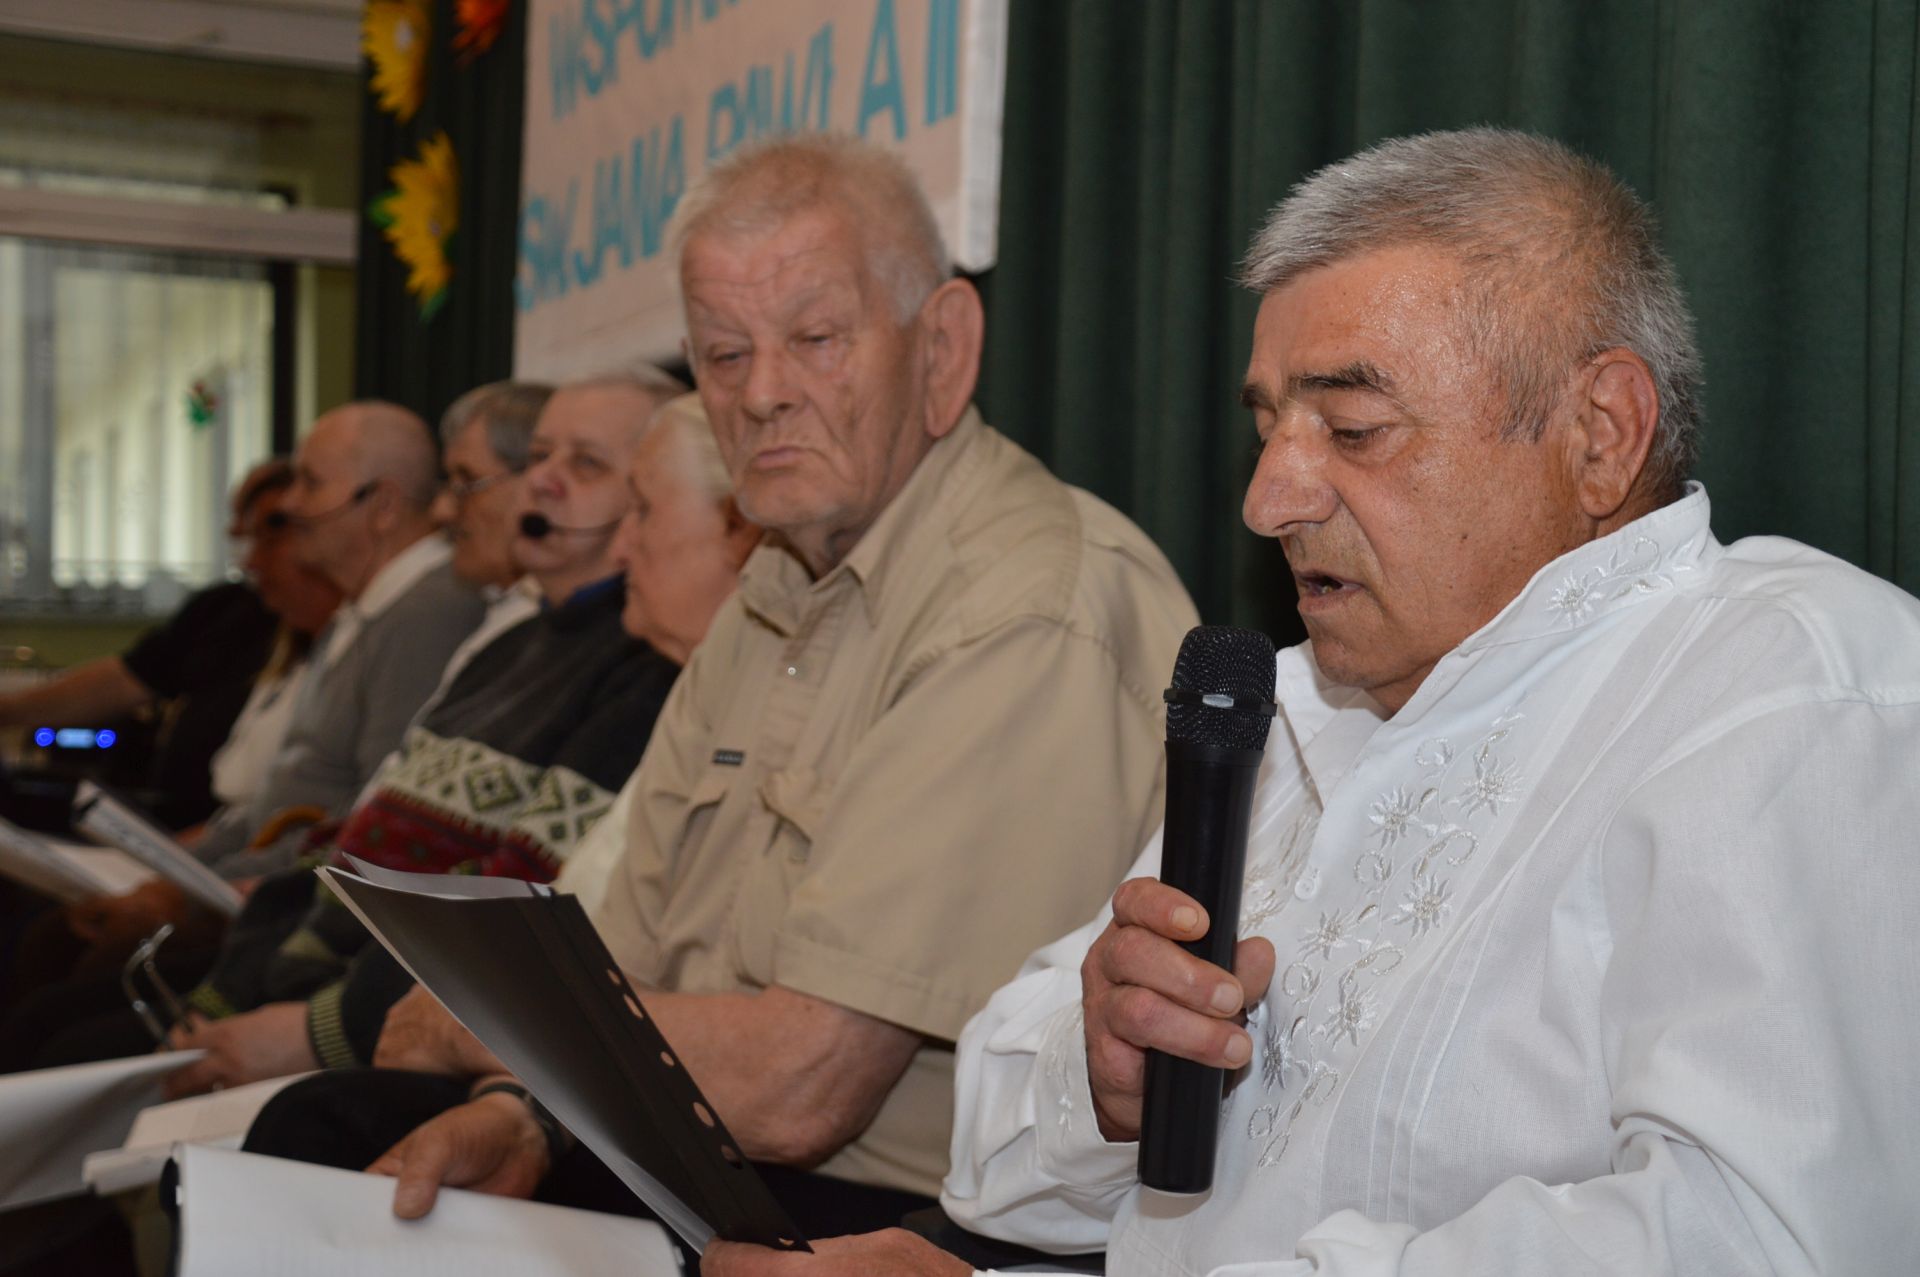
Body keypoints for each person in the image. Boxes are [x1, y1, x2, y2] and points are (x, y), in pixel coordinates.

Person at [698, 128, 1920, 1276]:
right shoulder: (1288, 706)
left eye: (1354, 426)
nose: (1268, 499)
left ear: (1599, 434)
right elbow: (993, 1162)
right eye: (1271, 427)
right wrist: (1106, 1073)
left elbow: (1762, 1239)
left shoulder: (1794, 691)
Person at [297, 134, 1199, 1240]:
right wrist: (523, 1116)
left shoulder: (1021, 607)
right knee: (342, 1145)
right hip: (691, 1144)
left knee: (332, 1145)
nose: (763, 393)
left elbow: (804, 1084)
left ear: (943, 348)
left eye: (816, 339)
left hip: (904, 1224)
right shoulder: (777, 581)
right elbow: (609, 958)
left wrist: (471, 1031)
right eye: (724, 354)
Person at [159, 373, 702, 1091]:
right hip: (314, 980)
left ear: (648, 506)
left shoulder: (645, 672)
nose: (541, 481)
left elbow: (511, 907)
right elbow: (357, 848)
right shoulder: (514, 643)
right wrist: (232, 991)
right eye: (540, 455)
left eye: (586, 464)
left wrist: (316, 1031)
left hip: (388, 1026)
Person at [191, 401, 486, 880]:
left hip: (297, 895)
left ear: (383, 505)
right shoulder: (363, 607)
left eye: (310, 483)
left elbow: (374, 820)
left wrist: (212, 886)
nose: (290, 504)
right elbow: (282, 797)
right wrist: (182, 872)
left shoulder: (428, 613)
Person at [0, 460, 334, 830]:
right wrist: (8, 710)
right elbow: (124, 679)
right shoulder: (227, 608)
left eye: (268, 533)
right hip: (181, 826)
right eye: (246, 533)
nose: (251, 560)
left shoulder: (329, 641)